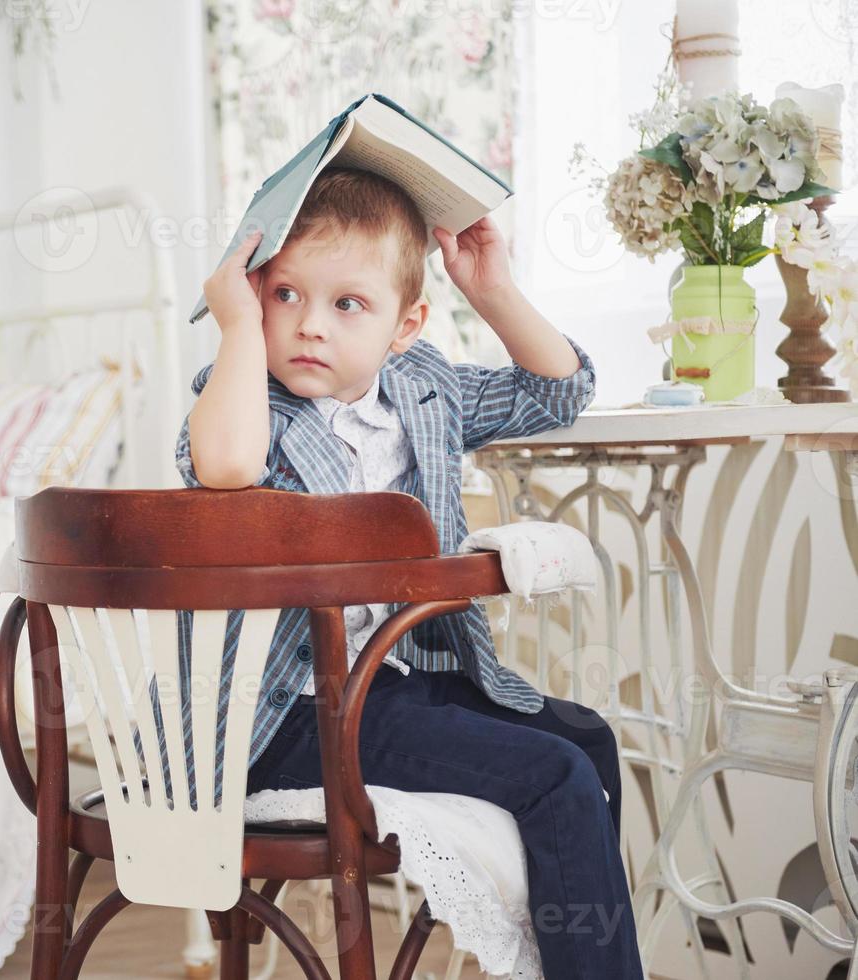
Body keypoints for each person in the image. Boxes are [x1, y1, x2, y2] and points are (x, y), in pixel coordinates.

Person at [175, 167, 642, 978]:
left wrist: (491, 290)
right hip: (291, 714)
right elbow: (224, 463)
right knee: (553, 774)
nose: (309, 327)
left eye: (346, 304)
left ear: (406, 325)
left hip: (399, 680)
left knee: (586, 740)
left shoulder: (422, 391)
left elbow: (559, 394)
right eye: (285, 296)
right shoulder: (246, 399)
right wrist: (237, 334)